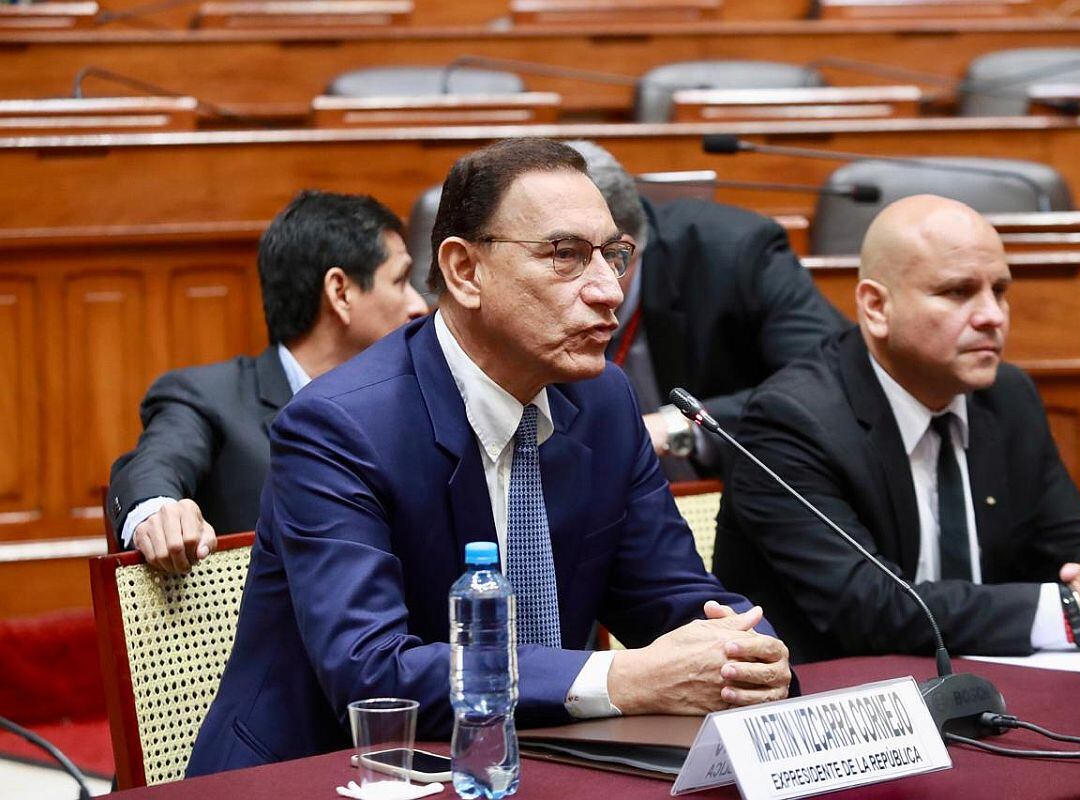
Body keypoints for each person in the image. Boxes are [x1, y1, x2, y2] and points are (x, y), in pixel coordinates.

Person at [186, 138, 794, 777]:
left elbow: (674, 599)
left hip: (536, 766)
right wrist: (623, 677)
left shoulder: (604, 401)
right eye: (565, 256)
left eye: (614, 257)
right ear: (465, 271)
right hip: (330, 774)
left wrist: (744, 653)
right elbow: (371, 672)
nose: (608, 290)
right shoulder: (339, 427)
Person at [714, 194, 1080, 662]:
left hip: (985, 685)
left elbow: (1067, 543)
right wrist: (1072, 613)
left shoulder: (1007, 397)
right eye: (958, 292)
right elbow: (871, 607)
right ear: (876, 306)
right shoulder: (791, 421)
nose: (992, 315)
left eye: (999, 290)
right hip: (836, 700)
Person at [106, 190, 429, 573]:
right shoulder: (209, 398)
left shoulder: (416, 401)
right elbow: (155, 463)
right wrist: (158, 513)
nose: (419, 305)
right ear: (340, 292)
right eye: (401, 280)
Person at [566, 141, 847, 479]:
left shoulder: (734, 253)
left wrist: (678, 427)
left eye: (566, 257)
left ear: (619, 252)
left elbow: (830, 382)